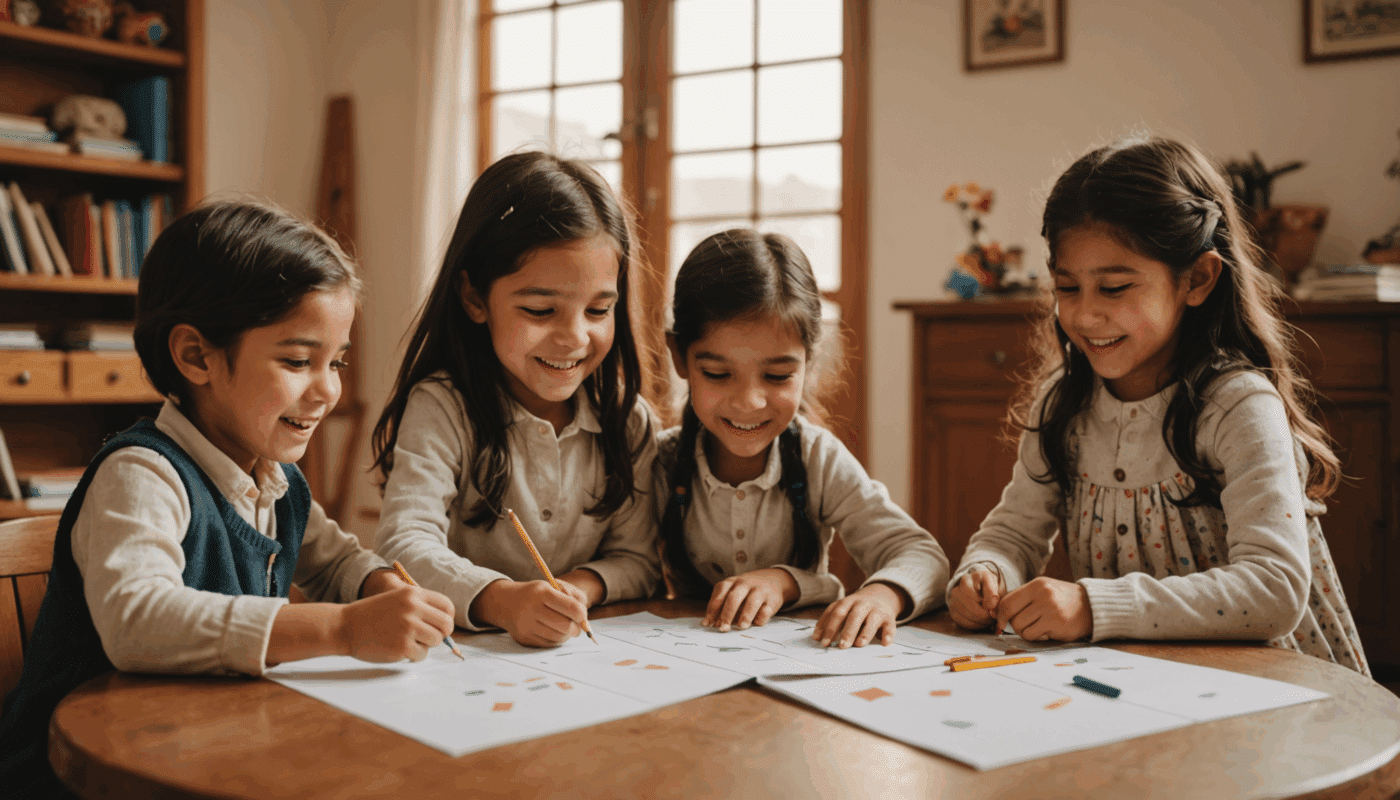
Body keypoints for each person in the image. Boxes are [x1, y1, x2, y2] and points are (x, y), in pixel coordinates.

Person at [0, 200, 457, 798]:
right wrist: (342, 629)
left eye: (336, 361)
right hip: (79, 774)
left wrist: (379, 588)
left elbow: (338, 560)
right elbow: (138, 621)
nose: (327, 390)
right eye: (298, 360)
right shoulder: (142, 475)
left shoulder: (277, 480)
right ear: (196, 356)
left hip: (199, 749)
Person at [946, 136, 1369, 676]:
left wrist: (1093, 606)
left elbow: (1274, 587)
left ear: (1197, 279)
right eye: (1067, 287)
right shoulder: (1065, 405)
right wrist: (986, 572)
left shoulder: (1238, 406)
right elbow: (1013, 532)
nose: (1085, 315)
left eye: (1115, 287)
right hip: (1145, 684)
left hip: (1274, 691)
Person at [372, 152, 658, 649]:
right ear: (475, 298)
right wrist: (501, 601)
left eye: (598, 309)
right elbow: (403, 546)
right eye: (540, 309)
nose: (574, 338)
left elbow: (639, 560)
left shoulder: (627, 420)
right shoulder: (443, 407)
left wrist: (575, 590)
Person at [659, 229, 948, 649]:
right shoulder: (659, 461)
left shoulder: (819, 458)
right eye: (718, 374)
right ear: (678, 357)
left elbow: (923, 557)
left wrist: (881, 596)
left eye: (777, 376)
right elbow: (626, 564)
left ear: (810, 363)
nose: (749, 402)